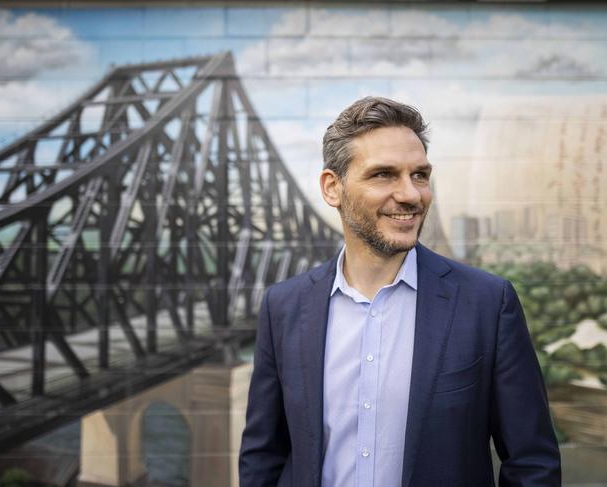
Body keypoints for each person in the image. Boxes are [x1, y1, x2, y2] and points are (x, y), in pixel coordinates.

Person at [239, 96, 561, 486]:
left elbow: (532, 464)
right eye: (384, 175)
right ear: (332, 187)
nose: (411, 194)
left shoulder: (488, 304)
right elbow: (263, 457)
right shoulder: (284, 306)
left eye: (420, 175)